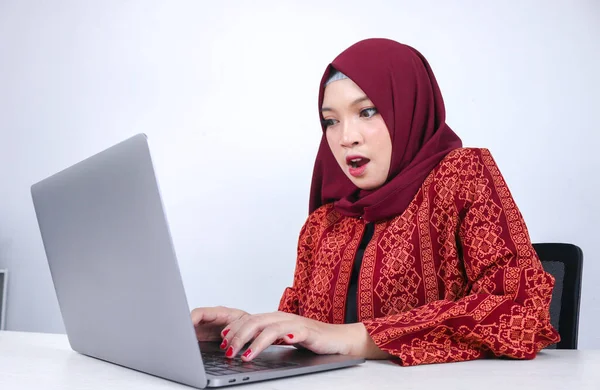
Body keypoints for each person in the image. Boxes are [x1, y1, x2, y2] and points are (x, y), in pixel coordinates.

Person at [191, 38, 560, 366]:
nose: (345, 137)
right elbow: (306, 330)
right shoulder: (325, 224)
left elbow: (522, 313)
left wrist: (353, 337)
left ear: (408, 108)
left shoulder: (460, 177)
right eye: (330, 121)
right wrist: (248, 329)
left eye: (366, 112)